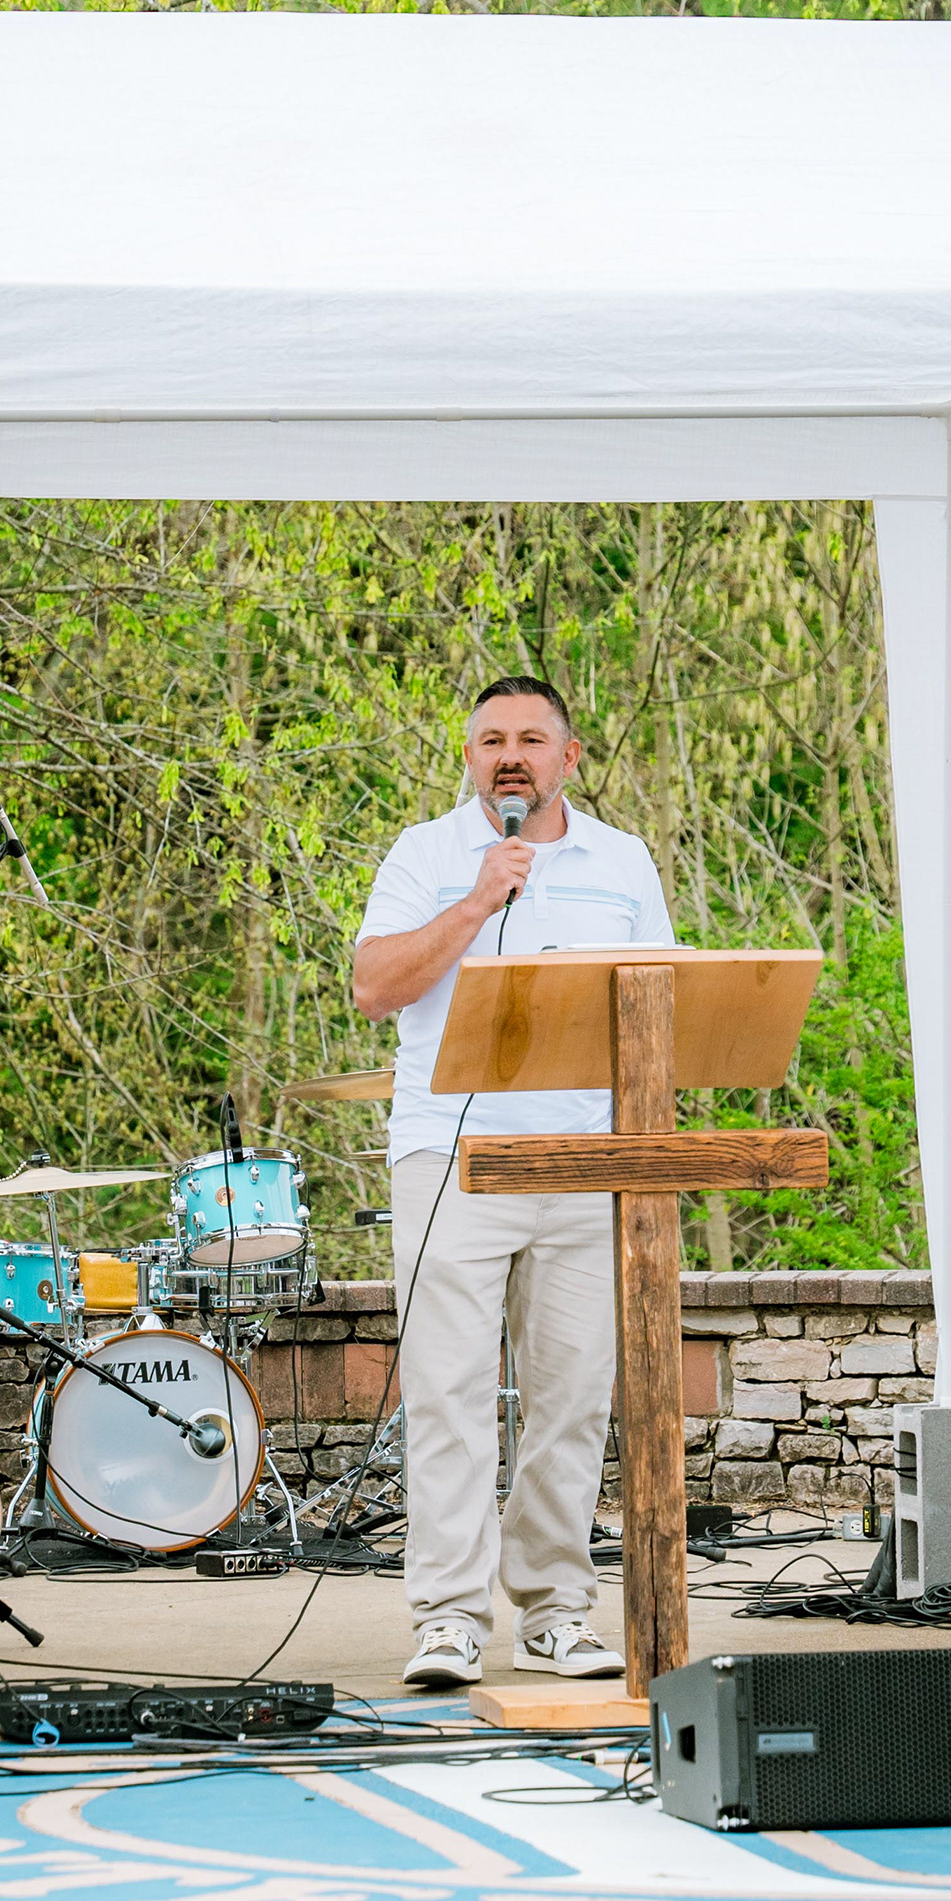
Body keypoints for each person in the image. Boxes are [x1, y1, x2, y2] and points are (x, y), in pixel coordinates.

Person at [353, 675, 677, 1687]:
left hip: (586, 1161)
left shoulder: (623, 860)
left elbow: (667, 1000)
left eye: (532, 740)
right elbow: (374, 986)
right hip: (452, 1159)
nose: (510, 756)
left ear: (568, 758)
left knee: (571, 1400)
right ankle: (449, 1621)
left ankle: (553, 1613)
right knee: (447, 1396)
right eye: (491, 739)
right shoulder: (425, 854)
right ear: (468, 757)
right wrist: (478, 898)